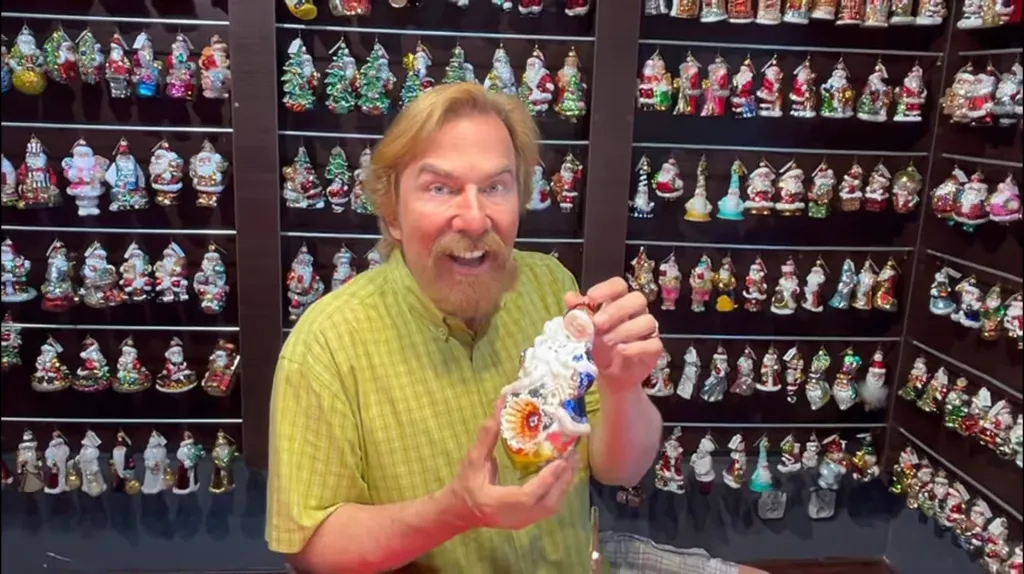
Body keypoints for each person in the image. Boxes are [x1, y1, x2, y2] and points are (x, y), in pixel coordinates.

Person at [266, 82, 667, 572]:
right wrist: (455, 512)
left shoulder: (550, 287)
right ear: (392, 213)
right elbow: (311, 549)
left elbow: (619, 466)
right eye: (440, 188)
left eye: (495, 186)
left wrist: (623, 387)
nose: (475, 218)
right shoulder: (327, 345)